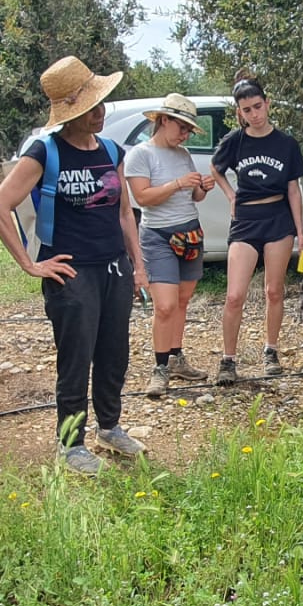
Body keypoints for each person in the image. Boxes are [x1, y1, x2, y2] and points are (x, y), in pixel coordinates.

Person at [0, 56, 146, 476]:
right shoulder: (45, 151)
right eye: (89, 107)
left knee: (114, 355)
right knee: (75, 359)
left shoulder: (112, 150)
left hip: (114, 267)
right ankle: (70, 442)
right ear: (68, 113)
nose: (99, 113)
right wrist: (30, 264)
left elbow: (124, 213)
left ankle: (109, 427)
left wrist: (138, 265)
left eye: (101, 104)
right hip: (71, 274)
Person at [212, 79, 303, 383]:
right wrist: (231, 196)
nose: (254, 114)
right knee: (235, 294)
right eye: (246, 110)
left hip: (278, 217)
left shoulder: (286, 143)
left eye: (257, 106)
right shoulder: (235, 141)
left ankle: (271, 351)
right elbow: (216, 168)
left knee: (274, 289)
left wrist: (301, 231)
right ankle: (228, 360)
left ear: (267, 104)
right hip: (246, 218)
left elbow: (293, 189)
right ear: (239, 113)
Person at [125, 94, 215, 398]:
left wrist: (201, 188)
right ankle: (159, 367)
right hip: (158, 235)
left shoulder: (183, 154)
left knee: (182, 300)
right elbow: (143, 198)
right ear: (163, 121)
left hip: (189, 231)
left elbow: (193, 199)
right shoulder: (141, 154)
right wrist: (178, 183)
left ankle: (176, 357)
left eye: (189, 130)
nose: (185, 134)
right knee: (163, 305)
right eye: (182, 127)